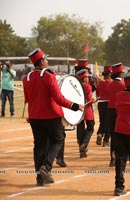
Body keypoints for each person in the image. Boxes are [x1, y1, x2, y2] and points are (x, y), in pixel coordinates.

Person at [23, 48, 83, 186]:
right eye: (46, 59)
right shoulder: (49, 77)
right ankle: (46, 167)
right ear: (42, 61)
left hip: (35, 118)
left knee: (39, 147)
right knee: (58, 139)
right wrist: (75, 106)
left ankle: (40, 178)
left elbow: (27, 99)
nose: (47, 61)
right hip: (51, 116)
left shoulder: (27, 78)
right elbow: (59, 98)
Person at [106, 63, 126, 167]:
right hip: (119, 111)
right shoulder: (123, 85)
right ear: (120, 74)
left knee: (113, 136)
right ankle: (119, 157)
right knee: (121, 135)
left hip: (110, 110)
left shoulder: (109, 85)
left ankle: (112, 158)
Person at [76, 69, 96, 158]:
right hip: (87, 110)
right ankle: (84, 144)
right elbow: (89, 100)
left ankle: (81, 146)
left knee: (80, 129)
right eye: (86, 77)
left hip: (78, 111)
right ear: (84, 79)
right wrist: (93, 100)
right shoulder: (87, 87)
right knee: (90, 128)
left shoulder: (76, 86)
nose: (88, 79)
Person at [95, 66, 112, 146]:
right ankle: (106, 140)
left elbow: (97, 94)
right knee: (109, 122)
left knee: (102, 121)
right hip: (109, 103)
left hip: (100, 103)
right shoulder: (111, 83)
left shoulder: (100, 83)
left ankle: (100, 133)